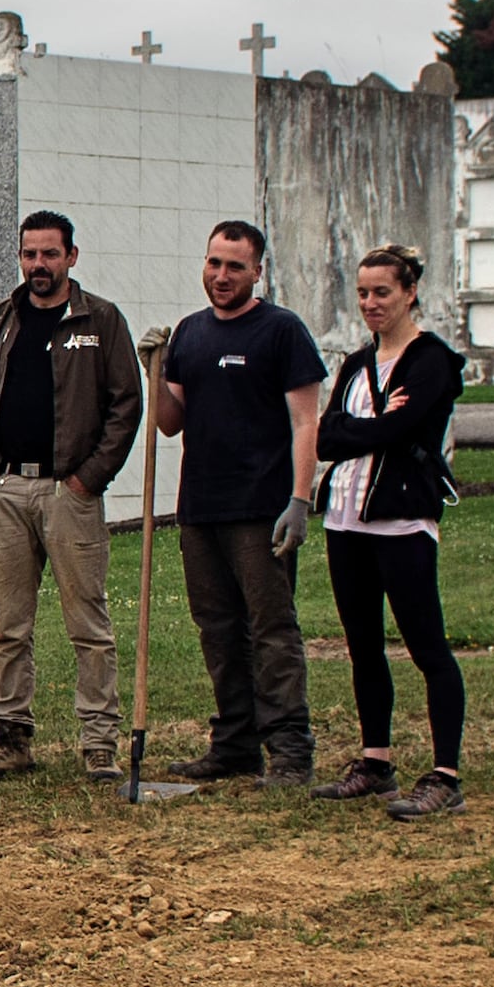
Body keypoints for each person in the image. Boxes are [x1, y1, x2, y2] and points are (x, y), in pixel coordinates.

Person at [0, 208, 139, 777]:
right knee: (10, 627)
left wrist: (87, 481)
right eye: (30, 253)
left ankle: (99, 742)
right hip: (7, 490)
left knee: (89, 625)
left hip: (69, 493)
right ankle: (11, 740)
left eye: (50, 254)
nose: (39, 264)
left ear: (71, 257)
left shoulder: (100, 320)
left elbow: (125, 406)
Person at [147, 218, 326, 792]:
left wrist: (300, 499)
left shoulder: (281, 331)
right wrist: (152, 368)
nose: (221, 276)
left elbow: (306, 422)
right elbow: (170, 425)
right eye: (213, 263)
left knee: (271, 630)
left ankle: (291, 753)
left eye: (234, 267)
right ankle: (234, 746)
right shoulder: (192, 335)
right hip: (200, 509)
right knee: (218, 629)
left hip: (261, 508)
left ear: (257, 271)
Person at [313, 242, 468, 817]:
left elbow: (408, 428)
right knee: (362, 646)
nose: (371, 303)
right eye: (362, 293)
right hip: (345, 518)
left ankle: (445, 775)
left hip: (402, 519)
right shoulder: (356, 364)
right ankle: (375, 761)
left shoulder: (433, 360)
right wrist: (374, 425)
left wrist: (374, 426)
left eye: (382, 292)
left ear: (409, 294)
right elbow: (327, 438)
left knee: (427, 645)